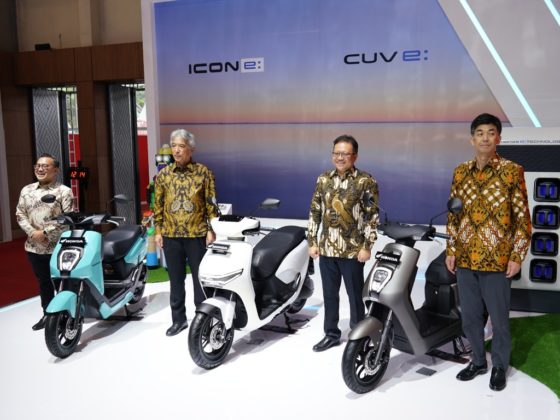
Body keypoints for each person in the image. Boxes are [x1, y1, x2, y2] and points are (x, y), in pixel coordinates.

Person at [445, 113, 532, 391]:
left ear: (498, 138)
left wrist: (517, 255)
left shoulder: (512, 171)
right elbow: (454, 214)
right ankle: (478, 361)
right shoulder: (460, 172)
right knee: (470, 317)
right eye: (480, 133)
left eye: (490, 132)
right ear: (472, 139)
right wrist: (451, 248)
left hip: (497, 259)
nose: (485, 138)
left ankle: (499, 366)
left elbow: (522, 219)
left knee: (500, 319)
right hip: (466, 258)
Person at [308, 134, 379, 352]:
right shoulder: (323, 179)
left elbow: (372, 216)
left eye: (345, 154)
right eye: (336, 153)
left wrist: (367, 246)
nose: (340, 157)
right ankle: (331, 334)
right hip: (327, 249)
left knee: (355, 296)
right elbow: (315, 211)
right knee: (330, 295)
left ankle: (358, 337)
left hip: (353, 251)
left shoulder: (365, 181)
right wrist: (312, 241)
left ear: (354, 156)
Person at [153, 129, 219, 337]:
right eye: (174, 146)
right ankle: (178, 320)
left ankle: (203, 320)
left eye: (181, 146)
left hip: (196, 233)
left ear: (191, 149)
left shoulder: (203, 172)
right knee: (175, 280)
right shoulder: (163, 175)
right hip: (171, 234)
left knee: (200, 280)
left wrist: (211, 229)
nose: (177, 150)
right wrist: (158, 231)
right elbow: (158, 205)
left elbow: (211, 204)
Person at [15, 153, 74, 331]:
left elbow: (68, 217)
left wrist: (46, 232)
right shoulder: (26, 190)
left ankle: (66, 316)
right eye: (38, 166)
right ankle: (48, 315)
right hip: (34, 247)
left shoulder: (64, 191)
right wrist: (33, 232)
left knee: (62, 283)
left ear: (55, 170)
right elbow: (20, 214)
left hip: (58, 247)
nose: (40, 169)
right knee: (44, 283)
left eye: (45, 166)